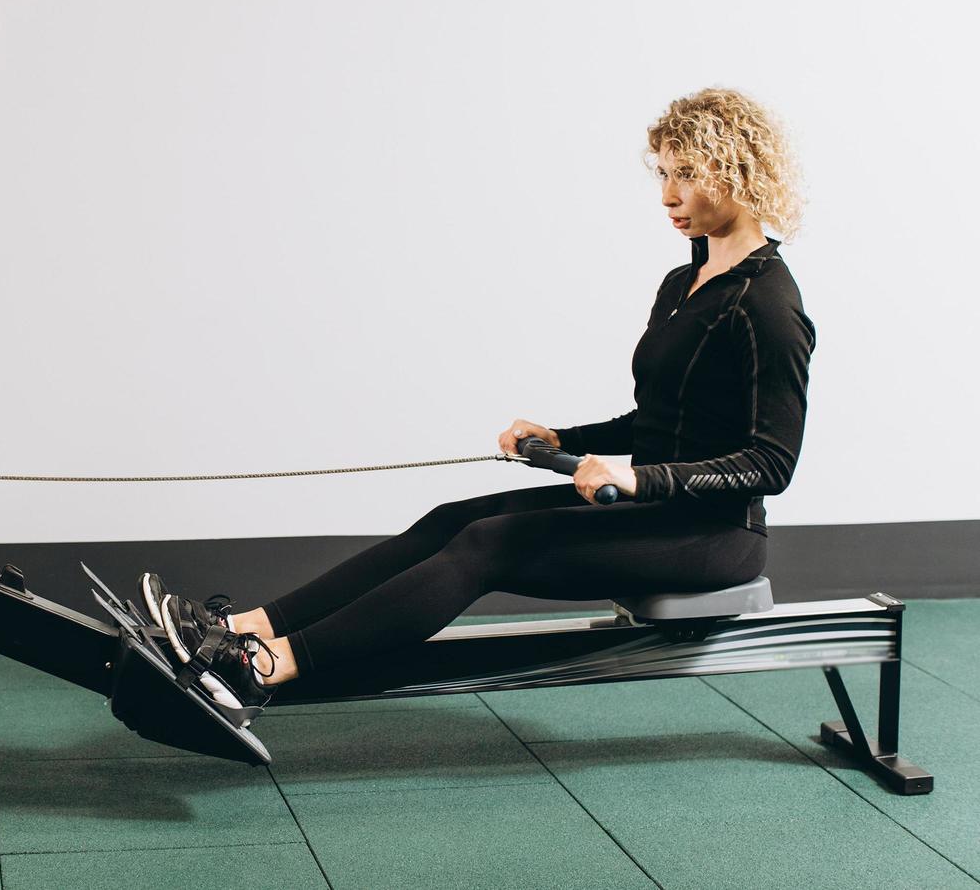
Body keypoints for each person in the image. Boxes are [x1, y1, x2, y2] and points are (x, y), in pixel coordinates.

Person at [139, 86, 817, 712]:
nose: (668, 194)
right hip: (649, 512)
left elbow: (770, 463)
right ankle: (238, 628)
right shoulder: (685, 281)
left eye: (687, 174)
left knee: (492, 544)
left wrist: (638, 478)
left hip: (710, 535)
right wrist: (562, 438)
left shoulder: (769, 304)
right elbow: (663, 418)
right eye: (663, 174)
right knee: (450, 519)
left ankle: (262, 666)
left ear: (738, 173)